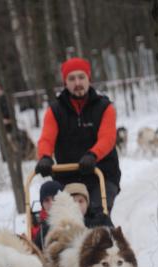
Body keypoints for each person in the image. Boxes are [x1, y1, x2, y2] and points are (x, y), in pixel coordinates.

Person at [35, 57, 121, 220]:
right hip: (68, 176)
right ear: (65, 82)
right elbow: (46, 138)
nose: (77, 83)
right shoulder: (55, 111)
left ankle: (101, 238)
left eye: (81, 77)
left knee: (97, 216)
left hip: (101, 173)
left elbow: (107, 138)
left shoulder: (105, 108)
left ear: (89, 78)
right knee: (68, 218)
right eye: (72, 78)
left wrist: (93, 155)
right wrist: (45, 157)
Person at [31, 180, 63, 249]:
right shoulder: (41, 227)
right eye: (46, 200)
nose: (51, 203)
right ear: (42, 204)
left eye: (55, 198)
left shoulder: (72, 218)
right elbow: (36, 248)